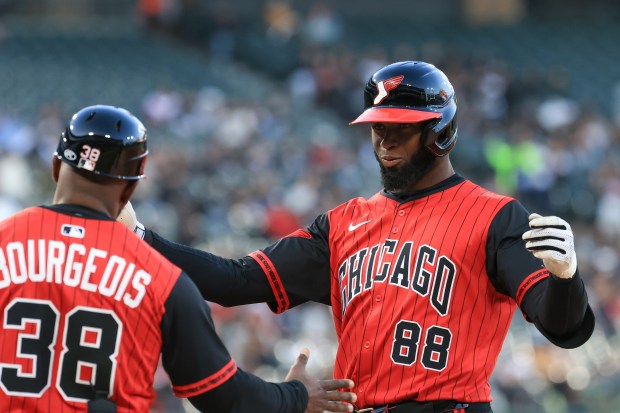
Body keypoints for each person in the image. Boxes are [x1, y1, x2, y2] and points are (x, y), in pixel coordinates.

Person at [119, 61, 595, 413]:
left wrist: (566, 279)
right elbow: (234, 280)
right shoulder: (344, 222)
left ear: (440, 132)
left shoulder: (495, 216)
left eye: (400, 130)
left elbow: (565, 329)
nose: (385, 143)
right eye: (378, 128)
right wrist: (139, 237)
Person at [0, 105, 357, 413]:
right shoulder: (162, 278)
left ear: (55, 167)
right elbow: (226, 397)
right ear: (130, 189)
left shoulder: (4, 241)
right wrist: (295, 396)